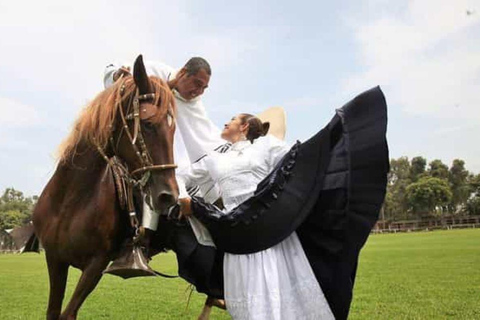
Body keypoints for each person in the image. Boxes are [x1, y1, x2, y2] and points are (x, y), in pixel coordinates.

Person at [177, 113, 335, 319]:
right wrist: (183, 197)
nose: (225, 122)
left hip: (267, 231)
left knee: (280, 292)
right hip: (235, 236)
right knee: (247, 299)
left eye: (232, 119)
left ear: (244, 127)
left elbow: (298, 160)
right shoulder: (215, 158)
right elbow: (180, 175)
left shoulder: (266, 145)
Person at [103, 57, 227, 250]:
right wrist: (119, 74)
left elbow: (204, 137)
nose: (199, 92)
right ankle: (139, 241)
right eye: (197, 84)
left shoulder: (195, 104)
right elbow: (114, 74)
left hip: (177, 160)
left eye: (204, 88)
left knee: (169, 175)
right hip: (147, 146)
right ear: (184, 72)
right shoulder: (154, 70)